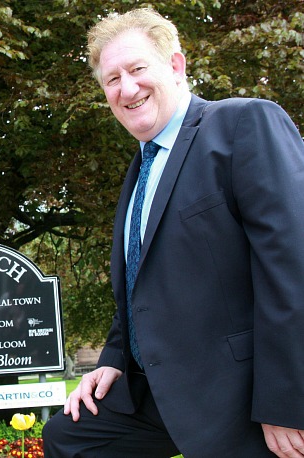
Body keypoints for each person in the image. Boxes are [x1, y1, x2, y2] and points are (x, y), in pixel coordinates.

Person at [43, 8, 304, 458]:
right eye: (111, 79)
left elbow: (293, 268)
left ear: (176, 66)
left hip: (240, 392)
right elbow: (142, 285)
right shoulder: (142, 169)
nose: (127, 88)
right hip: (161, 389)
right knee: (72, 440)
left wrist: (288, 403)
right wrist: (110, 361)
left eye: (138, 69)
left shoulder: (243, 124)